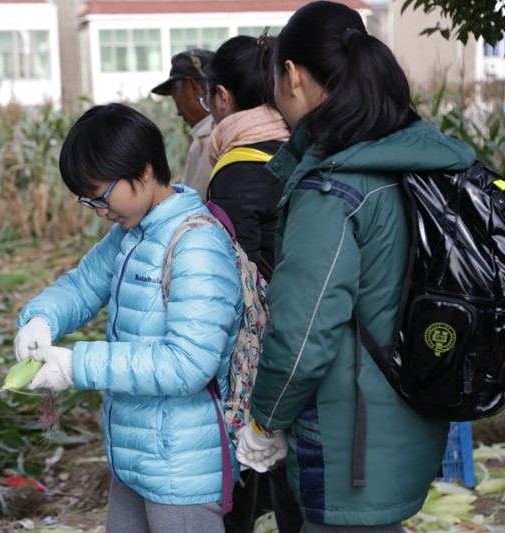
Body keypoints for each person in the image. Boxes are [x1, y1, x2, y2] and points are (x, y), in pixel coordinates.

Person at [237, 2, 471, 531]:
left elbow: (302, 333)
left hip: (349, 445)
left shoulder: (333, 190)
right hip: (408, 416)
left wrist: (264, 420)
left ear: (293, 76)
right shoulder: (408, 155)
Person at [13, 103, 244, 533]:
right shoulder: (132, 234)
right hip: (135, 454)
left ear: (142, 167)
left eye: (101, 194)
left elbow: (188, 364)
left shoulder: (196, 245)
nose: (99, 210)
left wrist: (76, 365)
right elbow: (83, 285)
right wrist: (40, 319)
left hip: (181, 468)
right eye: (89, 200)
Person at [202, 33, 299, 533]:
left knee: (255, 477)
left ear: (222, 98)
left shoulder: (237, 169)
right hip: (310, 346)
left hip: (266, 361)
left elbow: (237, 280)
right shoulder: (300, 149)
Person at [203, 34, 290, 281]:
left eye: (205, 98)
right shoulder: (297, 145)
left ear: (221, 96)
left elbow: (239, 273)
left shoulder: (236, 171)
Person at [151, 48, 215, 196]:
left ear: (193, 86)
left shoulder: (208, 140)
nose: (178, 112)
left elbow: (197, 203)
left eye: (175, 98)